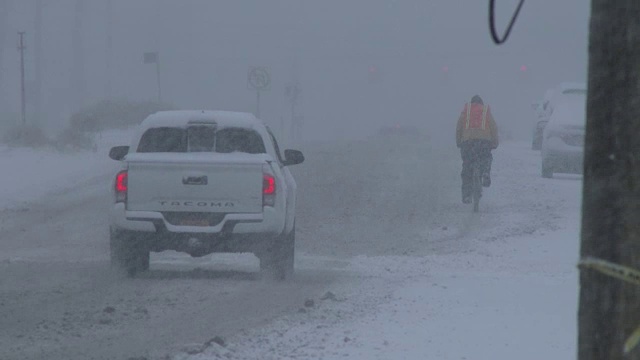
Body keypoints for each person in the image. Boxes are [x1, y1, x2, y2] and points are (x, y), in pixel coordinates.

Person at [455, 95, 499, 204]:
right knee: (486, 157)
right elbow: (493, 128)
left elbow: (459, 127)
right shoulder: (485, 111)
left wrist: (459, 142)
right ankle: (485, 173)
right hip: (483, 142)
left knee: (467, 167)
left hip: (468, 142)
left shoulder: (466, 110)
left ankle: (466, 195)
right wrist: (494, 143)